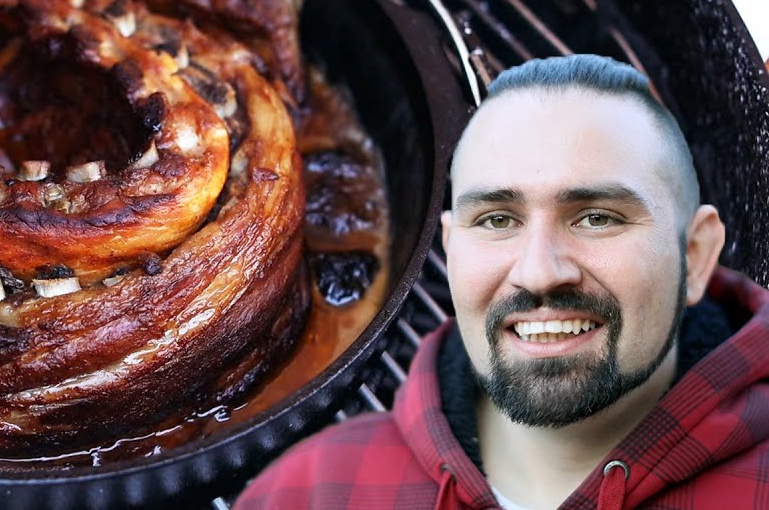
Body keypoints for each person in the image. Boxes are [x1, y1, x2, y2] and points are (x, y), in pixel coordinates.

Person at [234, 54, 769, 510]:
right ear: (451, 247)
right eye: (497, 220)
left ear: (696, 257)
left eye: (597, 217)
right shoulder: (313, 491)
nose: (538, 271)